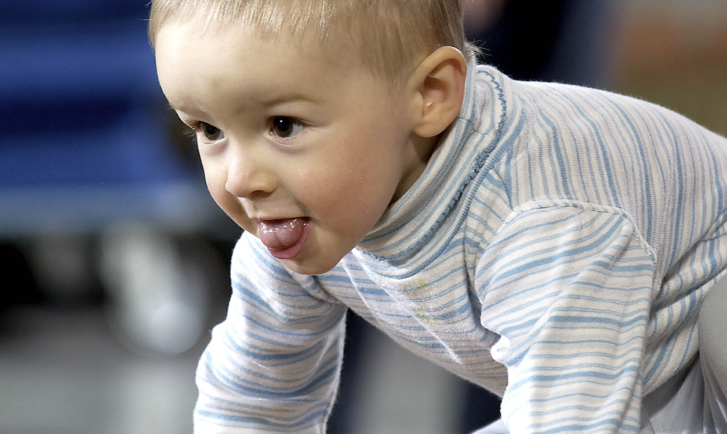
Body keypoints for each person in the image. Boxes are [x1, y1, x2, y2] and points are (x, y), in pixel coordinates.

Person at [148, 0, 727, 432]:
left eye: (283, 126)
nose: (240, 178)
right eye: (209, 130)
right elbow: (253, 401)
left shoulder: (535, 215)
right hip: (650, 380)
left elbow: (569, 420)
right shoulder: (289, 215)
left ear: (429, 94)